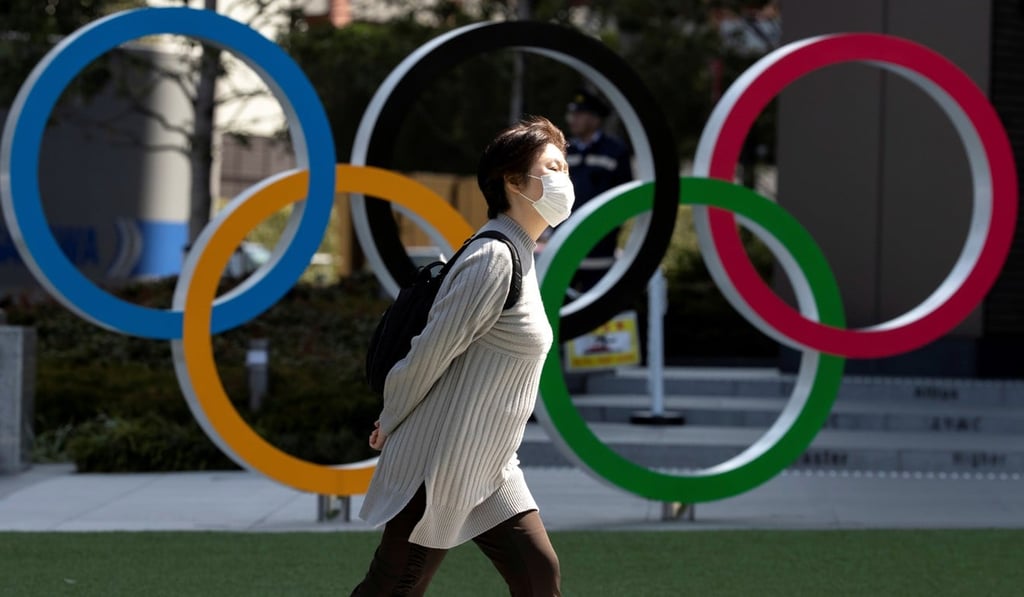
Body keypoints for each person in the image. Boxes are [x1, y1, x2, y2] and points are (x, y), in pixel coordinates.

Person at [351, 115, 572, 597]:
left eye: (566, 168)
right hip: (439, 461)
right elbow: (429, 353)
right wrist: (390, 419)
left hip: (489, 464)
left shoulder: (523, 254)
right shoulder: (493, 259)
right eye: (552, 168)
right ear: (513, 181)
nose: (564, 181)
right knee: (393, 590)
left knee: (540, 578)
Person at [563, 88, 633, 292]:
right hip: (563, 251)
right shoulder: (562, 150)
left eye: (579, 115)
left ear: (595, 119)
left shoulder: (615, 151)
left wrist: (605, 229)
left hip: (599, 253)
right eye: (572, 115)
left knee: (599, 318)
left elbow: (624, 199)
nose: (572, 120)